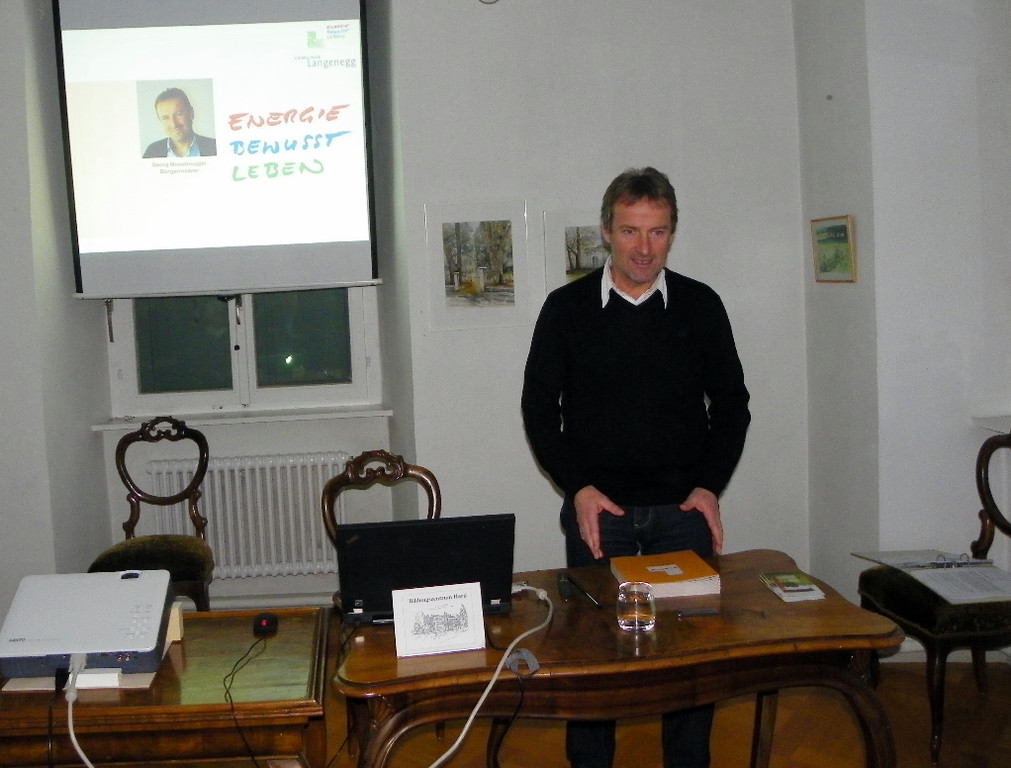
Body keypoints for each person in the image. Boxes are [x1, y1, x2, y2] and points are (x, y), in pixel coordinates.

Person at [521, 166, 751, 768]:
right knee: (593, 658)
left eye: (658, 232)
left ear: (672, 233)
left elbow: (733, 405)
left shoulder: (702, 305)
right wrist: (578, 488)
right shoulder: (566, 309)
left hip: (683, 512)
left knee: (691, 658)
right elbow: (539, 409)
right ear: (606, 231)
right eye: (630, 231)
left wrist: (710, 486)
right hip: (601, 513)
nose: (644, 248)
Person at [142, 87, 217, 158]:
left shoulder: (214, 147)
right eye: (165, 118)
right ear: (160, 120)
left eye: (179, 114)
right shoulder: (152, 152)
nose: (173, 124)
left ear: (191, 114)